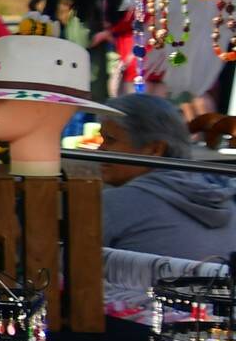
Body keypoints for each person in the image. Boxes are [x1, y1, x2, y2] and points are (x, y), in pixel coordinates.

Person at [98, 92, 236, 263]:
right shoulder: (225, 196)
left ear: (155, 149)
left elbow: (70, 270)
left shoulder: (115, 203)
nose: (99, 149)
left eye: (110, 140)